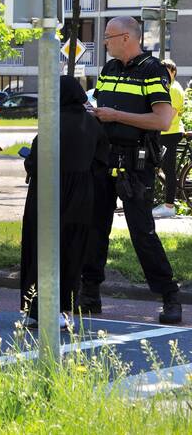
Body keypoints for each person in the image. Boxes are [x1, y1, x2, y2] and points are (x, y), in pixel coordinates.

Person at [80, 16, 181, 325]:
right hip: (103, 159)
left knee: (142, 232)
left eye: (109, 37)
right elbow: (99, 104)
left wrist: (115, 116)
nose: (105, 42)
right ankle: (90, 295)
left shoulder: (152, 71)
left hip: (135, 165)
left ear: (126, 38)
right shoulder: (109, 70)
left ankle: (169, 296)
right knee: (95, 228)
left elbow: (162, 121)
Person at [20, 76, 109, 329]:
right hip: (81, 196)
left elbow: (35, 160)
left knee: (41, 248)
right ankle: (61, 309)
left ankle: (35, 308)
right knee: (71, 248)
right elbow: (101, 161)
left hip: (47, 192)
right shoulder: (93, 125)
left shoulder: (51, 123)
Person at [155, 59, 184, 219]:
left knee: (169, 170)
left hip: (169, 133)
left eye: (167, 71)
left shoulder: (173, 89)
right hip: (168, 132)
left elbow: (169, 116)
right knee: (164, 168)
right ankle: (168, 202)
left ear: (173, 72)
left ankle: (169, 205)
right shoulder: (171, 87)